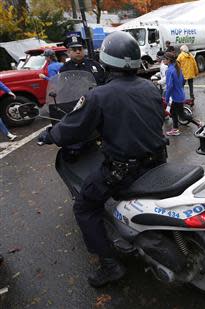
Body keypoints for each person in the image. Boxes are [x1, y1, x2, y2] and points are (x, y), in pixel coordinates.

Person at [37, 31, 167, 287]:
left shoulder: (100, 95)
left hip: (125, 170)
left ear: (106, 60)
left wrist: (50, 134)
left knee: (84, 206)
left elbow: (72, 128)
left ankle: (110, 265)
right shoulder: (150, 87)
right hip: (157, 160)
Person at [164, 52, 185, 136]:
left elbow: (169, 86)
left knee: (182, 115)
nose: (163, 60)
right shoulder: (177, 68)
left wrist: (166, 98)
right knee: (173, 112)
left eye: (164, 59)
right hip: (180, 94)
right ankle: (175, 129)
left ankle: (198, 123)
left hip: (176, 97)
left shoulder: (169, 70)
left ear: (168, 60)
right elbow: (183, 80)